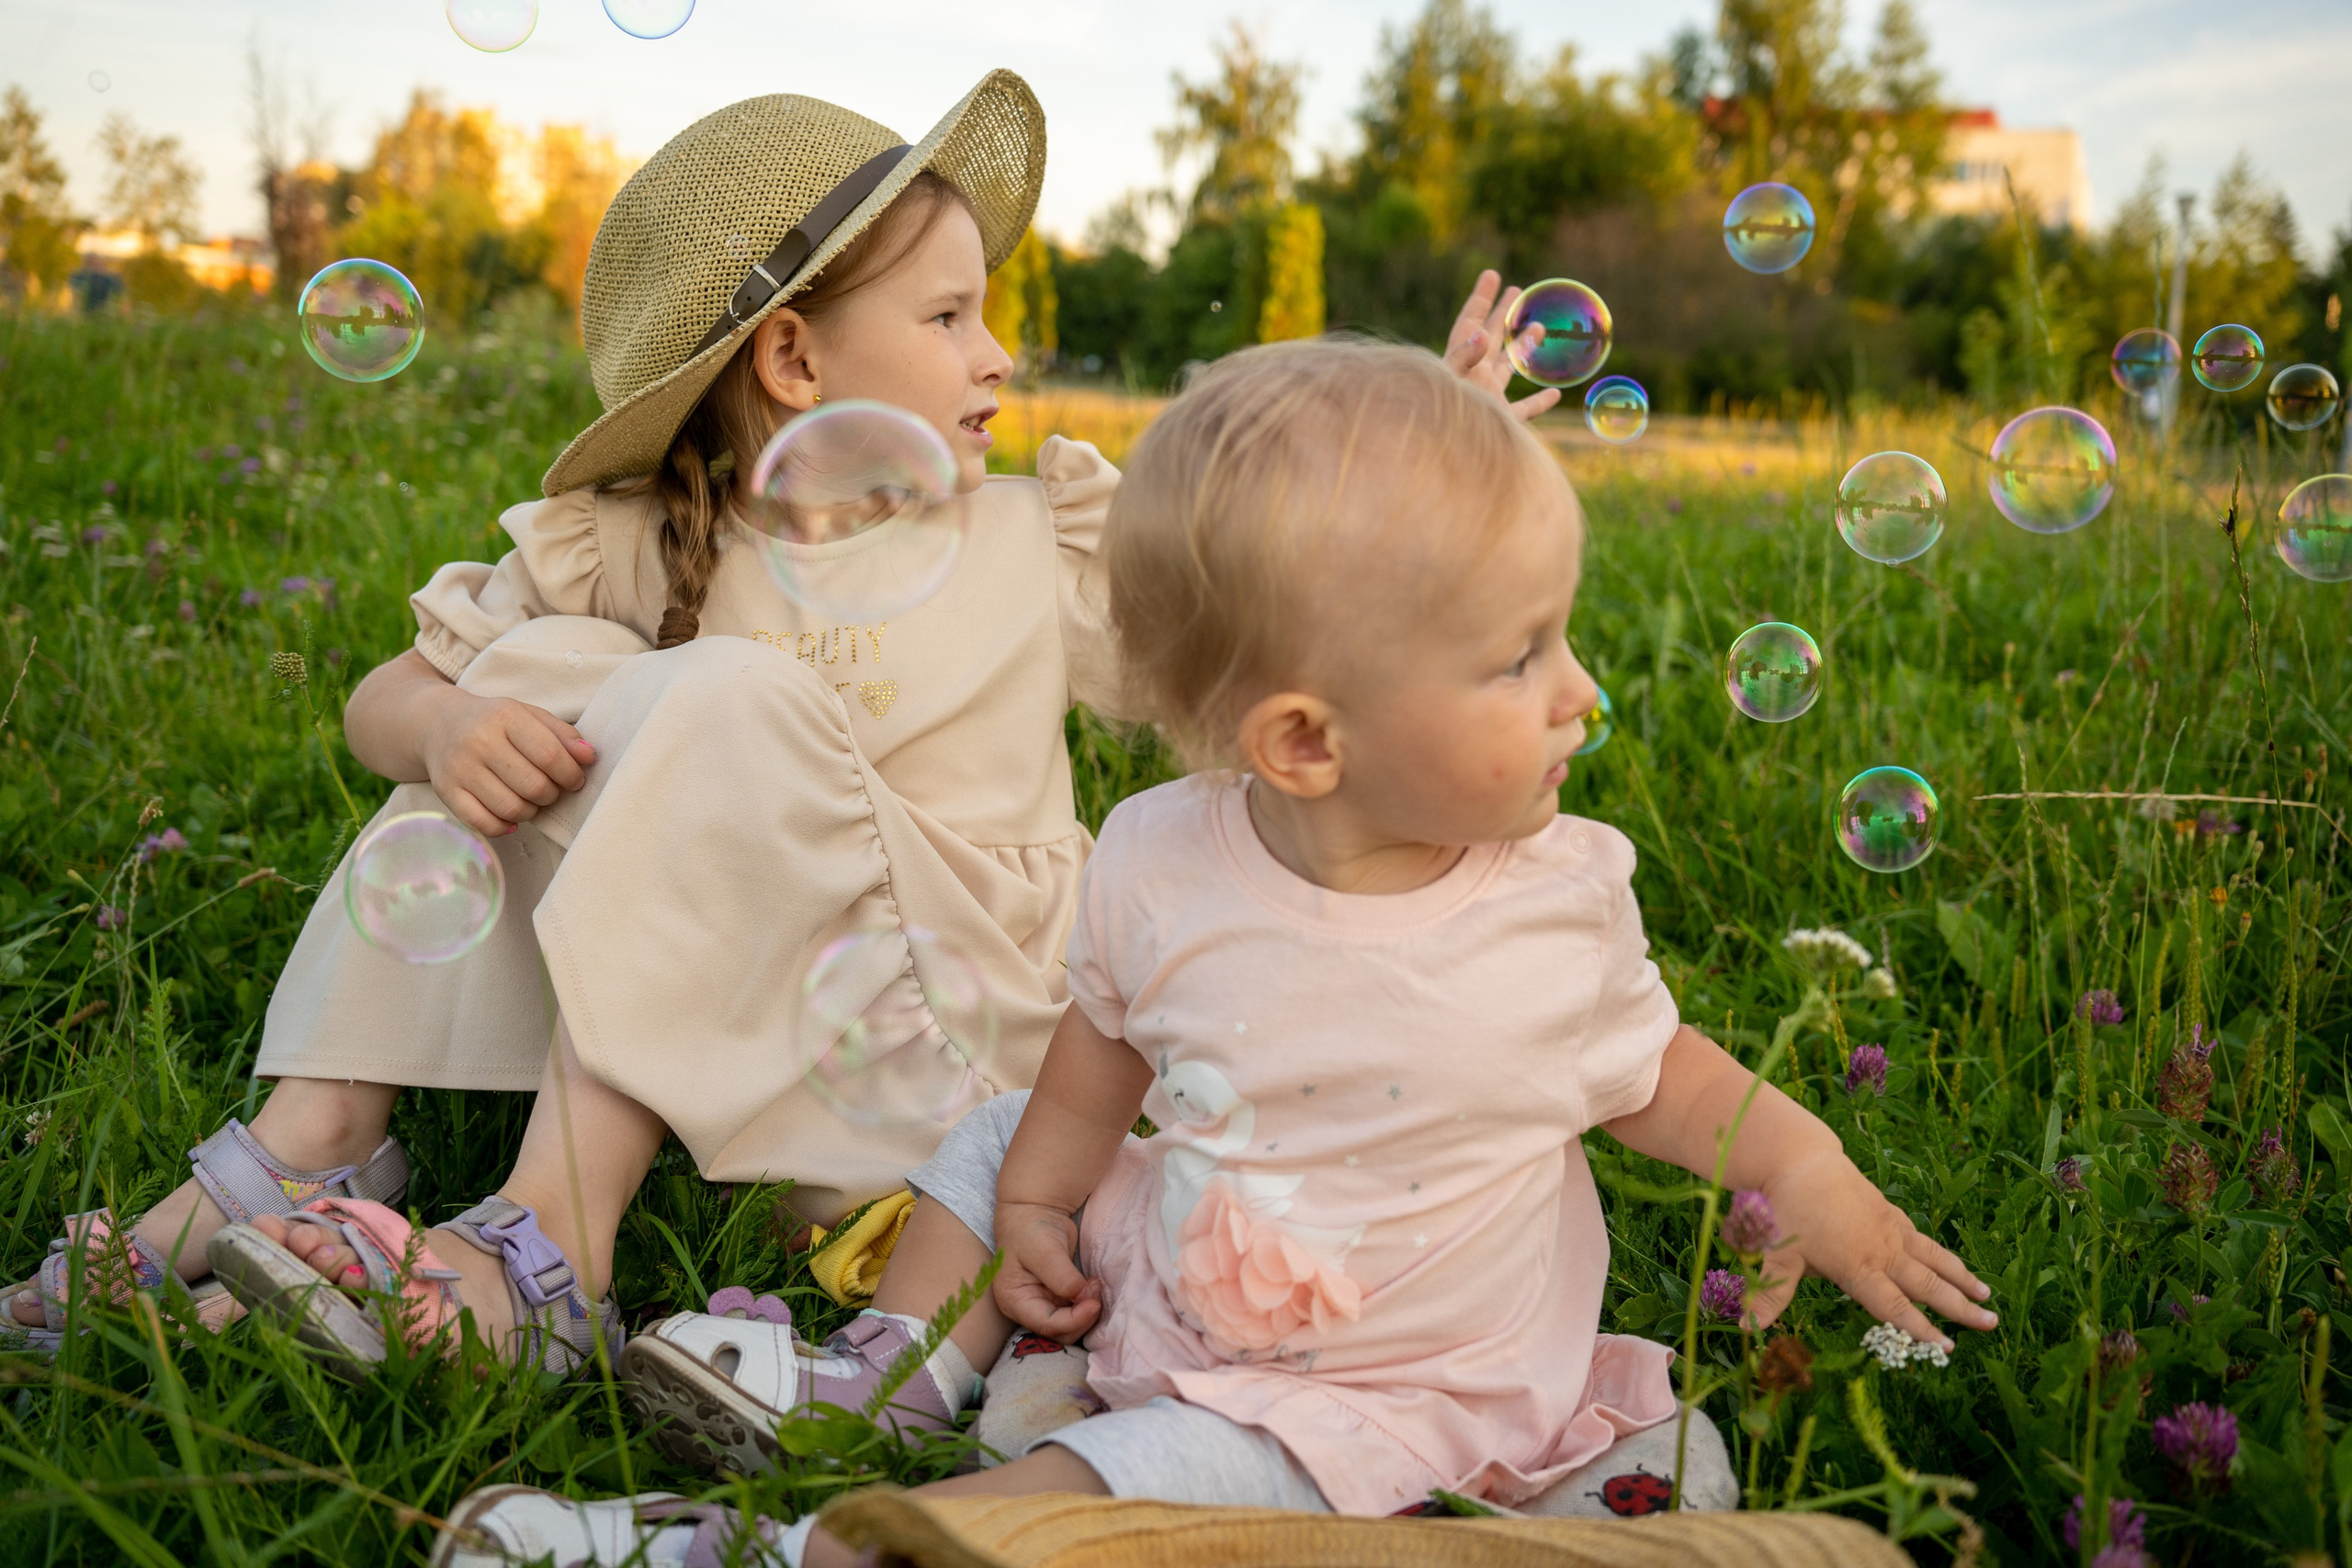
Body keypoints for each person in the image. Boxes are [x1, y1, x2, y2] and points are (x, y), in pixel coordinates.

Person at [6, 73, 1556, 1380]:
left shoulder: (1036, 542)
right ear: (796, 362)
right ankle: (321, 1133)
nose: (999, 356)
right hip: (748, 1024)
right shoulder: (632, 545)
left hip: (949, 1055)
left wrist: (1436, 447)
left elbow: (1265, 624)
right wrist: (446, 724)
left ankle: (551, 1243)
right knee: (516, 690)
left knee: (698, 698)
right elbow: (384, 701)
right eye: (951, 315)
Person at [425, 336, 1997, 1567]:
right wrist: (1042, 1195)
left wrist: (1815, 1177)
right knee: (994, 1141)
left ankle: (754, 1549)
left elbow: (1667, 1075)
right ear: (1305, 741)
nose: (1580, 692)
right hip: (1184, 1242)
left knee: (1102, 1489)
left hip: (1368, 1395)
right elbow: (1099, 1050)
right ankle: (888, 1365)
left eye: (1561, 637)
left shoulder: (1550, 900)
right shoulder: (1165, 854)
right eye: (1522, 656)